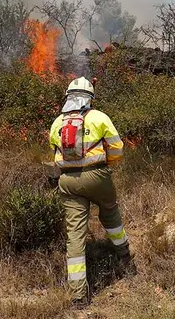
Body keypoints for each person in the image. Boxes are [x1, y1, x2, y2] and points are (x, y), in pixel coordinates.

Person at [48, 77, 132, 307]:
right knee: (110, 214)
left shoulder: (57, 122)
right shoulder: (98, 117)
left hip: (67, 181)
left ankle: (77, 296)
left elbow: (54, 155)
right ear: (90, 97)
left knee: (75, 235)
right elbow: (117, 147)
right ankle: (125, 260)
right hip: (97, 176)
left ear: (68, 97)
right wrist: (108, 164)